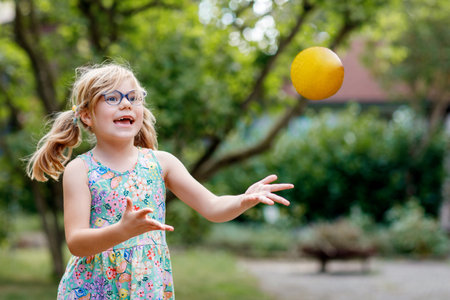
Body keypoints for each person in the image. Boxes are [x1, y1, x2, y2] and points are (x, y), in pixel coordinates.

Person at [27, 63, 294, 299]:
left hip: (147, 287)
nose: (126, 104)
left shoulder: (161, 163)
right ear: (87, 115)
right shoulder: (81, 169)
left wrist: (242, 200)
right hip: (92, 289)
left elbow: (213, 207)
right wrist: (122, 231)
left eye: (134, 98)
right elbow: (76, 242)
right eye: (112, 98)